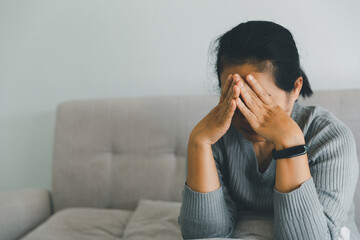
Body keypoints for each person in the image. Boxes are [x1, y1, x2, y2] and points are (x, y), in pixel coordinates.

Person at [177, 20, 360, 240]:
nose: (247, 115)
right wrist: (199, 142)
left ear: (295, 89)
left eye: (259, 100)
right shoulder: (214, 136)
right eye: (236, 98)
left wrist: (291, 144)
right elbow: (205, 235)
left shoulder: (330, 138)